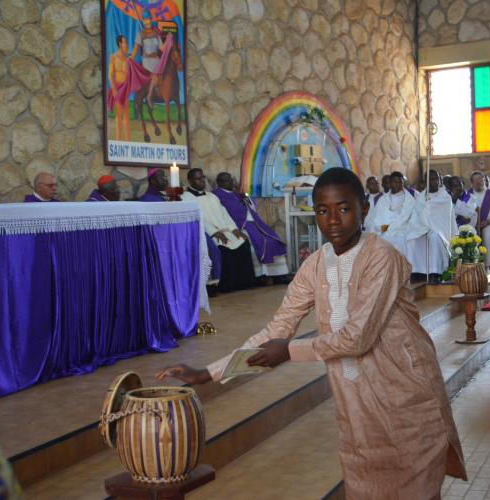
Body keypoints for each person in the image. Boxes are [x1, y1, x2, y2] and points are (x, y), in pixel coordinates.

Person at [156, 168, 467, 498]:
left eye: (343, 209)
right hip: (355, 403)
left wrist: (289, 351)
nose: (332, 220)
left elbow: (357, 337)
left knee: (416, 485)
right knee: (366, 485)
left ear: (364, 209)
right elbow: (276, 330)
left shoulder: (382, 258)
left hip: (403, 391)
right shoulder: (315, 265)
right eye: (322, 210)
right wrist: (208, 373)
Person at [182, 168, 256, 292]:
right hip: (208, 233)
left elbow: (224, 214)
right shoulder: (185, 198)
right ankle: (225, 285)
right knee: (222, 245)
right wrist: (214, 232)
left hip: (225, 229)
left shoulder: (212, 196)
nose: (202, 181)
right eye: (198, 179)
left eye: (203, 178)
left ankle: (244, 282)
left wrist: (234, 229)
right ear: (190, 181)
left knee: (243, 241)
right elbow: (198, 220)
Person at [214, 173, 289, 282]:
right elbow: (229, 211)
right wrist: (241, 205)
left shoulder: (236, 193)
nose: (231, 182)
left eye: (231, 180)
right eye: (228, 181)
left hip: (254, 223)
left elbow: (252, 206)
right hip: (240, 226)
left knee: (272, 239)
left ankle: (279, 274)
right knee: (258, 242)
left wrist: (245, 197)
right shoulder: (217, 195)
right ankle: (261, 275)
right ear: (219, 182)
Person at [405, 170, 455, 282]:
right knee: (411, 239)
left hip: (440, 230)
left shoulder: (445, 197)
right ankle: (416, 271)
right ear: (425, 182)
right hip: (422, 227)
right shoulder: (421, 197)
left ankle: (434, 272)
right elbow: (416, 216)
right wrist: (420, 226)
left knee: (434, 237)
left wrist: (429, 206)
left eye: (436, 179)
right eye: (431, 179)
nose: (435, 182)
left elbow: (444, 219)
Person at [364, 171, 415, 256]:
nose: (397, 184)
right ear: (390, 183)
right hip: (385, 229)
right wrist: (385, 227)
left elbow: (410, 218)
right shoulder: (383, 199)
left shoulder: (410, 200)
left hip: (403, 229)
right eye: (395, 182)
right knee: (382, 241)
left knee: (403, 241)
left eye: (400, 182)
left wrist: (394, 226)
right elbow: (378, 219)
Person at [130, 11, 164, 107]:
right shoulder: (141, 34)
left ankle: (156, 95)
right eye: (144, 19)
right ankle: (149, 96)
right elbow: (136, 48)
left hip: (156, 60)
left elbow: (162, 48)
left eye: (148, 19)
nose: (146, 21)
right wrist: (131, 57)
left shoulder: (156, 33)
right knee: (153, 76)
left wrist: (169, 41)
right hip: (146, 61)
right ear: (143, 21)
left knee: (161, 75)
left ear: (151, 19)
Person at [108, 34, 131, 141]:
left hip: (125, 89)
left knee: (126, 116)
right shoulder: (113, 57)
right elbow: (110, 74)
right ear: (120, 44)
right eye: (125, 42)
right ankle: (118, 140)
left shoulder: (128, 59)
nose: (127, 45)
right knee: (118, 115)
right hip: (117, 88)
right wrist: (113, 88)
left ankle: (128, 141)